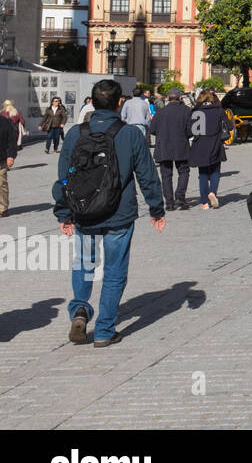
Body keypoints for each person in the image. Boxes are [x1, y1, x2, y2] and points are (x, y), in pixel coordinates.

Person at [52, 78, 166, 347]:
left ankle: (80, 309)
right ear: (119, 103)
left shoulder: (75, 134)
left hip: (84, 213)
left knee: (85, 263)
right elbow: (147, 175)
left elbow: (63, 178)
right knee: (114, 271)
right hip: (119, 214)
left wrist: (63, 213)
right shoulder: (130, 134)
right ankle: (104, 330)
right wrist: (156, 208)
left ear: (92, 101)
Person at [149, 88, 192, 211]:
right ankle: (180, 196)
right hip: (180, 145)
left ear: (167, 98)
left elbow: (152, 130)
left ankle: (169, 202)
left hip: (164, 146)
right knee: (183, 171)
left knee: (166, 175)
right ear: (180, 98)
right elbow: (190, 130)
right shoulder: (186, 111)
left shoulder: (161, 112)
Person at [189, 90, 232, 209]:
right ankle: (212, 192)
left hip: (200, 145)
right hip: (215, 143)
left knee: (202, 173)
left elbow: (191, 130)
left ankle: (204, 202)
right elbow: (230, 126)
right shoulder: (218, 110)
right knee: (215, 171)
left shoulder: (195, 111)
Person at [0, 109, 15, 218]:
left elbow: (11, 140)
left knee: (1, 184)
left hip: (1, 158)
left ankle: (3, 208)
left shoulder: (5, 122)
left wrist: (10, 156)